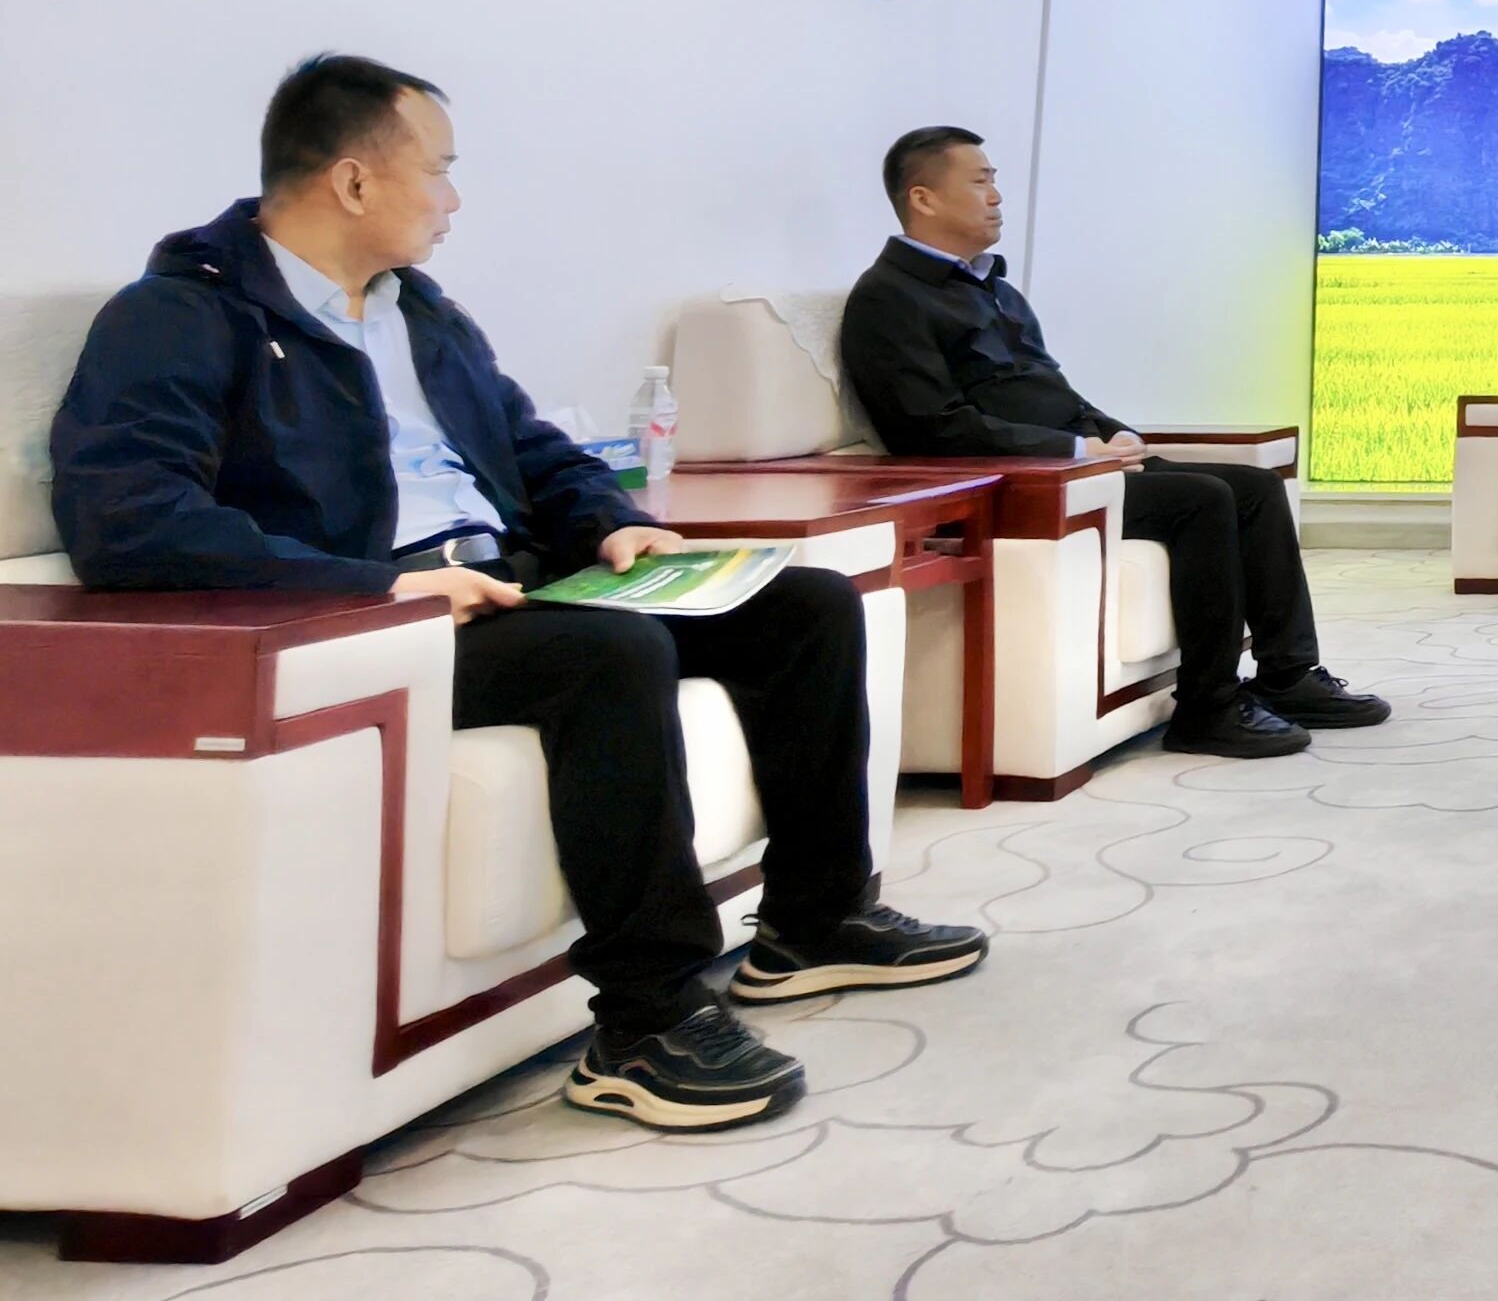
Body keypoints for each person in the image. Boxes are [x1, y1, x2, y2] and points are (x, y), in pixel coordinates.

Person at [49, 56, 986, 1133]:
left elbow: (534, 447)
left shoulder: (421, 313)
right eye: (439, 170)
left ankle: (815, 924)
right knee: (607, 656)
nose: (453, 200)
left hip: (508, 585)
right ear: (353, 181)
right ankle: (646, 1020)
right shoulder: (179, 315)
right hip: (375, 621)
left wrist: (609, 521)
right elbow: (129, 518)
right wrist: (385, 583)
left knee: (802, 606)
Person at [841, 127, 1387, 758]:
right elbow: (931, 429)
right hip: (1018, 486)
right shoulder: (888, 299)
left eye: (995, 181)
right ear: (924, 198)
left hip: (1077, 469)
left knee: (1256, 487)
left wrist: (1109, 432)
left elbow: (1050, 390)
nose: (996, 196)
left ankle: (1288, 675)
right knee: (1202, 498)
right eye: (980, 180)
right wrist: (1074, 454)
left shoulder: (995, 290)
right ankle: (1207, 706)